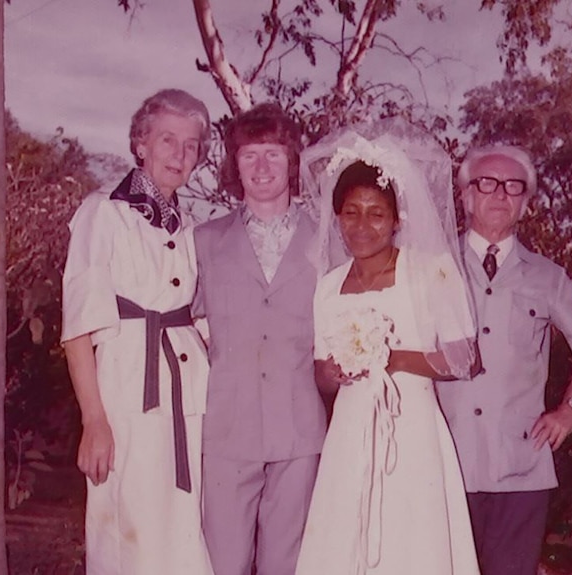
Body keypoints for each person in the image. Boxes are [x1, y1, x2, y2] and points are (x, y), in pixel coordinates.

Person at [295, 124, 481, 575]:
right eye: (351, 212)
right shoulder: (327, 287)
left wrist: (392, 358)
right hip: (350, 429)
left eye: (376, 213)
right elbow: (320, 371)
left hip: (411, 427)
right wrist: (335, 373)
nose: (362, 226)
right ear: (336, 216)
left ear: (397, 219)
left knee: (411, 543)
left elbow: (464, 359)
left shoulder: (429, 272)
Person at [436, 145, 572, 575]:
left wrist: (569, 412)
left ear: (525, 204)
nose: (500, 195)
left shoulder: (548, 277)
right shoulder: (433, 267)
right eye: (487, 184)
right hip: (443, 466)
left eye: (513, 187)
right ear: (465, 196)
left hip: (521, 470)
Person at [61, 89, 214, 574]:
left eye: (191, 145)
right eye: (167, 139)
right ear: (141, 143)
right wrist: (94, 421)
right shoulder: (103, 213)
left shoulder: (194, 228)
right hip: (127, 397)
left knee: (185, 536)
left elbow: (204, 318)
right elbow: (78, 329)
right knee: (130, 537)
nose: (179, 154)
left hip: (190, 398)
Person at [193, 103, 327, 575]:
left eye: (272, 153)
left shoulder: (327, 239)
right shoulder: (204, 241)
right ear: (235, 165)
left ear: (292, 160)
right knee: (223, 562)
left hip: (300, 427)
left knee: (287, 564)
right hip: (227, 427)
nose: (263, 166)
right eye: (250, 155)